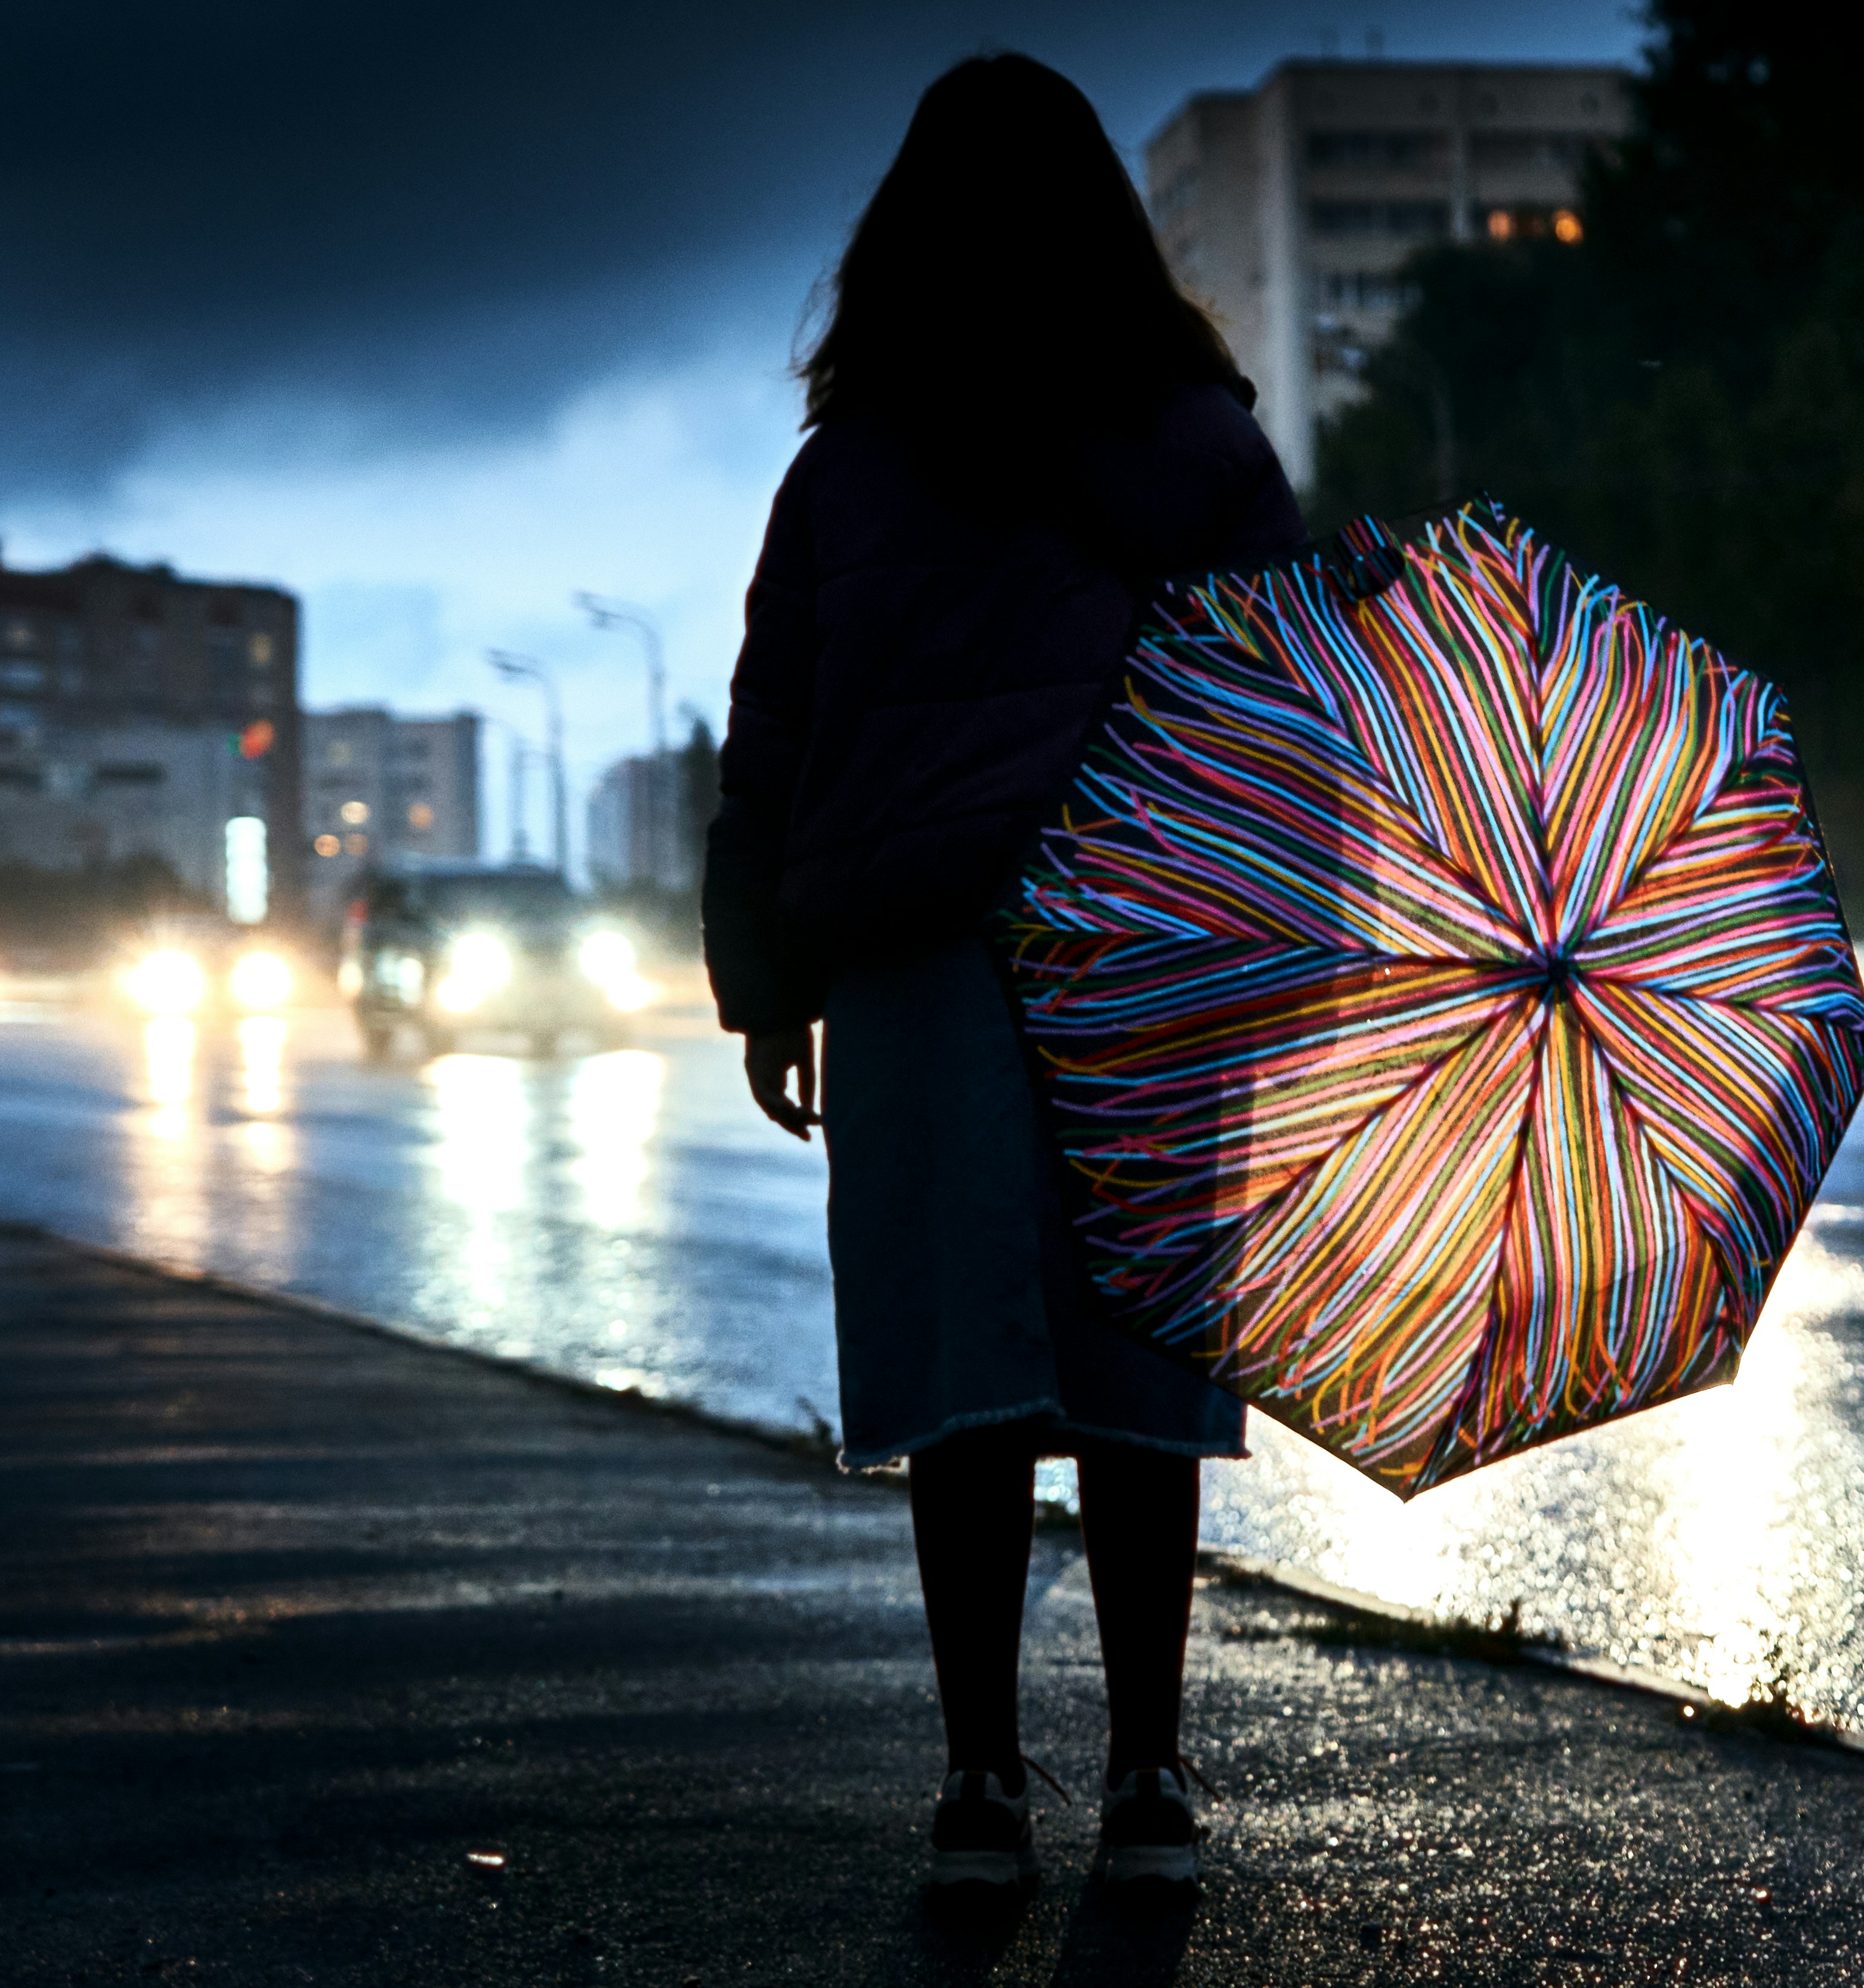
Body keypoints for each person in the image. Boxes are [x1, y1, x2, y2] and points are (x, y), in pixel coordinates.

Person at [699, 53, 1307, 1898]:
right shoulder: (1204, 449)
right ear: (1110, 228)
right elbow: (1293, 717)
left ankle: (979, 1777)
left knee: (961, 1369)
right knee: (1138, 1366)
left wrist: (764, 982)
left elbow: (774, 738)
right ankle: (1148, 1768)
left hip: (914, 961)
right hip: (1149, 952)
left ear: (907, 239)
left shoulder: (849, 468)